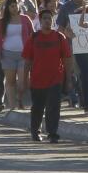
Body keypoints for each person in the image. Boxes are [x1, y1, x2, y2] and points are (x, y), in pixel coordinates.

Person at [24, 9, 74, 143]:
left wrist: (68, 78)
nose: (47, 21)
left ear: (53, 21)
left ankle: (52, 133)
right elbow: (27, 60)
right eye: (44, 18)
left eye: (49, 18)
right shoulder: (33, 38)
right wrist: (25, 79)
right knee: (38, 107)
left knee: (53, 106)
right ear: (40, 21)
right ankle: (35, 131)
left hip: (55, 79)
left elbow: (67, 59)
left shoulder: (59, 37)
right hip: (37, 79)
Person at [0, 0, 34, 112]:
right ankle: (12, 106)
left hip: (23, 55)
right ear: (7, 8)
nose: (14, 8)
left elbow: (33, 35)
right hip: (7, 54)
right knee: (10, 82)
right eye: (12, 6)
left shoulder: (25, 19)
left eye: (16, 5)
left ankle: (19, 98)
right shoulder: (2, 22)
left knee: (22, 82)